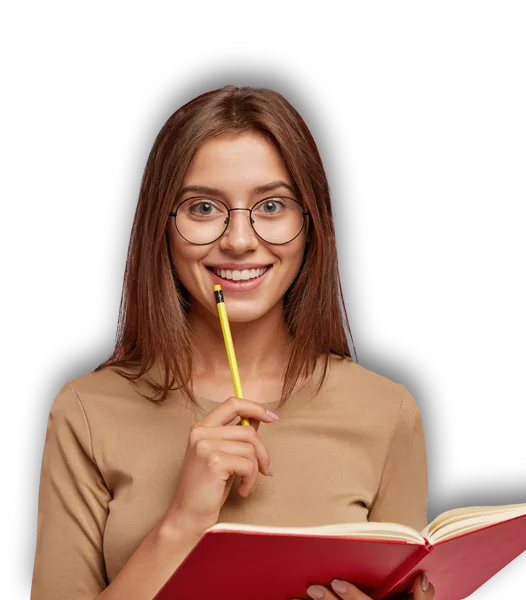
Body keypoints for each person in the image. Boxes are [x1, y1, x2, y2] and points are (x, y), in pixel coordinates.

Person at [30, 84, 435, 600]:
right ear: (163, 225)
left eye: (271, 205)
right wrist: (182, 524)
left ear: (310, 224)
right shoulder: (85, 412)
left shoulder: (386, 411)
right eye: (203, 208)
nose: (239, 241)